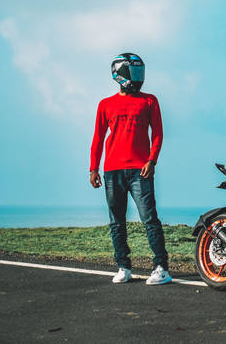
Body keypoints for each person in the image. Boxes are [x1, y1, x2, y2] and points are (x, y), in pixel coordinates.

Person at [89, 53, 171, 285]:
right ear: (119, 75)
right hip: (112, 170)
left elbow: (157, 134)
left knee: (150, 219)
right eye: (133, 73)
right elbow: (98, 138)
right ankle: (123, 267)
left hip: (140, 170)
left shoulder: (150, 101)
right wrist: (93, 168)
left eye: (139, 72)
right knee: (117, 221)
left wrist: (151, 161)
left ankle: (161, 268)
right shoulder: (105, 104)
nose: (138, 78)